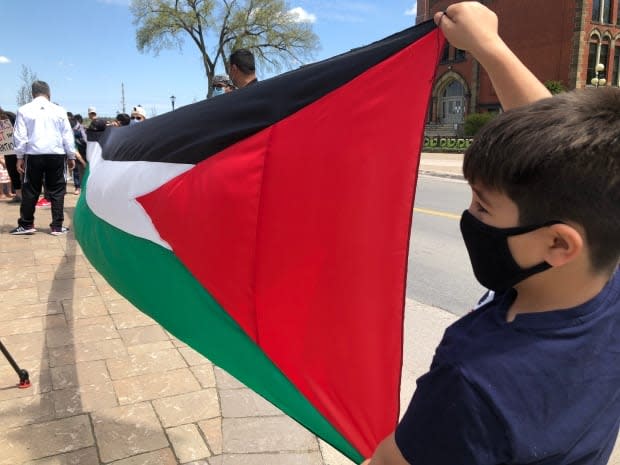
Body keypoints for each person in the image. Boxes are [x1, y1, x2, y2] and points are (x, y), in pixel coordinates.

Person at [362, 2, 619, 464]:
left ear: (559, 243)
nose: (471, 216)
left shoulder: (474, 380)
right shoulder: (606, 267)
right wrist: (488, 47)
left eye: (483, 205)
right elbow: (566, 158)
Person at [10, 80, 76, 235]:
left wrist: (19, 157)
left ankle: (26, 224)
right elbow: (67, 134)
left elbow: (20, 136)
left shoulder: (24, 110)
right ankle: (57, 226)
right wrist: (71, 155)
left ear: (32, 93)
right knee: (58, 190)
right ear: (49, 93)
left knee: (30, 190)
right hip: (57, 155)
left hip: (33, 155)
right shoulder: (59, 110)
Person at [0, 109, 21, 203]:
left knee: (19, 171)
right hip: (7, 150)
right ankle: (18, 194)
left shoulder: (10, 115)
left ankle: (22, 194)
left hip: (16, 148)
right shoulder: (11, 114)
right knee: (12, 172)